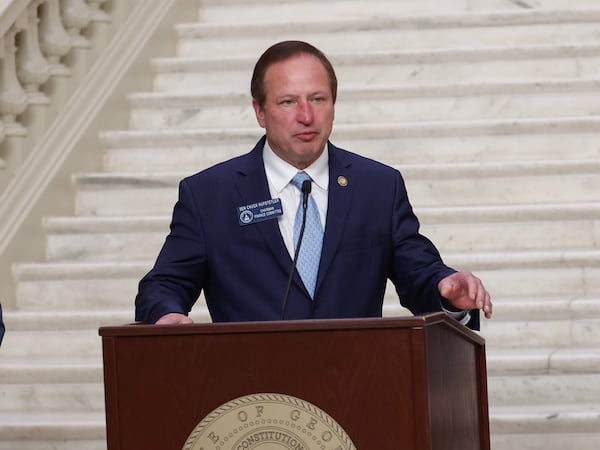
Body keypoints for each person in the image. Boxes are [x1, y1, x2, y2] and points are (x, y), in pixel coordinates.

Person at [135, 40, 492, 329]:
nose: (306, 116)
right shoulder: (210, 196)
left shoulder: (378, 187)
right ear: (260, 112)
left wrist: (446, 290)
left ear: (333, 104)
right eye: (288, 102)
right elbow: (162, 285)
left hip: (357, 388)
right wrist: (166, 314)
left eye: (318, 99)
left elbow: (419, 274)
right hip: (254, 397)